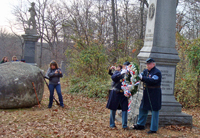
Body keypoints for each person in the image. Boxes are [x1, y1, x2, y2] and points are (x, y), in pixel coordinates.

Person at [131, 58, 162, 134]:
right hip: (146, 92)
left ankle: (153, 129)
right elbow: (141, 75)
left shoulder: (157, 72)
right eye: (147, 64)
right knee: (143, 108)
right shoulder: (145, 71)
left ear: (153, 64)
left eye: (149, 64)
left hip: (154, 93)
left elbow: (153, 81)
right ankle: (140, 125)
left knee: (154, 111)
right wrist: (137, 76)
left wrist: (143, 78)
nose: (147, 65)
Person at [106, 64, 129, 130]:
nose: (126, 67)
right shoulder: (117, 73)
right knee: (113, 109)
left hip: (124, 94)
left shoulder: (129, 74)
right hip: (116, 93)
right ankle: (112, 124)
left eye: (127, 66)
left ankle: (124, 125)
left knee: (125, 109)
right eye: (125, 66)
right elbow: (113, 77)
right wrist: (121, 73)